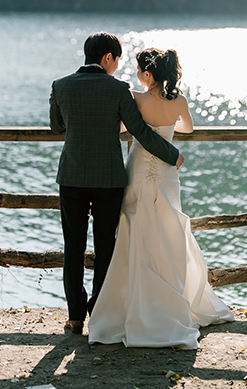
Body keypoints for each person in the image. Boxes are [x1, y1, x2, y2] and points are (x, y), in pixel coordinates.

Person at [88, 48, 235, 348]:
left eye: (140, 70)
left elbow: (122, 127)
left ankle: (132, 307)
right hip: (167, 173)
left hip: (139, 169)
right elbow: (188, 128)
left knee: (135, 232)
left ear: (147, 73)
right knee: (168, 234)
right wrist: (168, 128)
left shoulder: (134, 98)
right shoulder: (179, 100)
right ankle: (172, 302)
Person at [50, 33, 184, 336]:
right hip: (109, 180)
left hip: (71, 177)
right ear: (108, 58)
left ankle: (74, 317)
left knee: (73, 247)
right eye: (117, 59)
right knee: (105, 247)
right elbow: (140, 131)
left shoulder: (61, 86)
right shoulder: (118, 89)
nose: (118, 65)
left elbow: (56, 125)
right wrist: (171, 153)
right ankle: (99, 312)